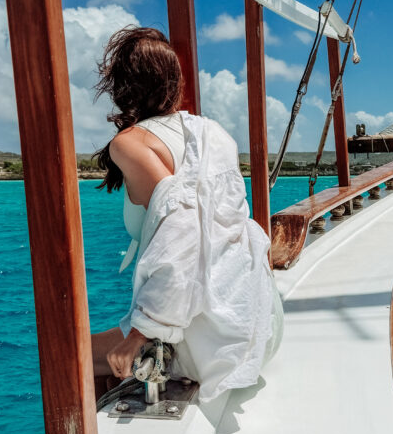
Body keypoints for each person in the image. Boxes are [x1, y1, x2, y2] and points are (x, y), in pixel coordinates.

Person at [91, 26, 283, 402]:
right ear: (174, 82)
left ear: (122, 85)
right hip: (258, 324)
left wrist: (140, 335)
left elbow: (181, 230)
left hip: (211, 347)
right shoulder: (213, 134)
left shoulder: (130, 143)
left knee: (68, 354)